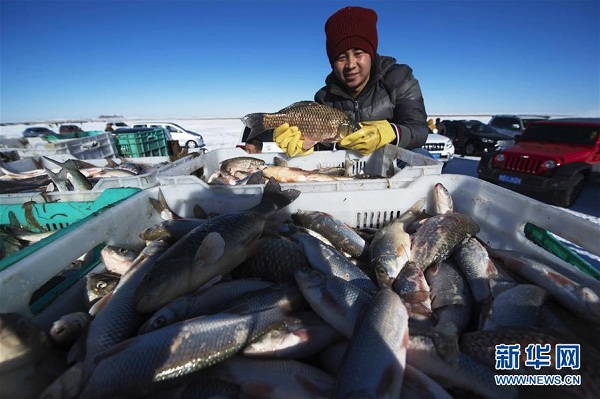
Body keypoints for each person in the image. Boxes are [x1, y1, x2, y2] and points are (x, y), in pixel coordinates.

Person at [274, 6, 429, 157]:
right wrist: (304, 148)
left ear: (371, 54)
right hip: (348, 169)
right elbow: (324, 148)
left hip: (389, 162)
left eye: (358, 53)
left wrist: (392, 132)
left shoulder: (399, 78)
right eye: (341, 58)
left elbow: (419, 130)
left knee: (422, 155)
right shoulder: (324, 97)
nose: (350, 65)